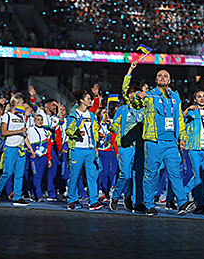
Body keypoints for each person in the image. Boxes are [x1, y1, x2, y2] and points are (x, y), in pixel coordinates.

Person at [136, 69, 195, 216]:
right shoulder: (150, 95)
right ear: (156, 80)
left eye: (165, 76)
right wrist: (138, 94)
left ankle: (182, 203)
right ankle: (149, 205)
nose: (162, 78)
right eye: (159, 76)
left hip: (171, 143)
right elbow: (136, 103)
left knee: (175, 173)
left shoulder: (175, 96)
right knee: (151, 173)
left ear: (169, 80)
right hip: (154, 141)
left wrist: (182, 137)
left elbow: (180, 118)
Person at [109, 62, 146, 213]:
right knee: (125, 174)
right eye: (130, 93)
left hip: (140, 146)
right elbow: (114, 126)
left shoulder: (144, 108)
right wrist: (130, 70)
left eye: (134, 92)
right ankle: (116, 196)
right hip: (125, 146)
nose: (131, 95)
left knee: (138, 175)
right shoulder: (123, 109)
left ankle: (137, 202)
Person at [0, 96, 36, 206]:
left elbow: (24, 134)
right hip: (10, 147)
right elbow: (4, 132)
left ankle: (18, 197)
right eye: (21, 103)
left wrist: (30, 149)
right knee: (7, 172)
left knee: (19, 174)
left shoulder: (21, 117)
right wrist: (19, 130)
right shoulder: (7, 116)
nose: (23, 106)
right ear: (15, 104)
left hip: (21, 148)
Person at [65, 89, 103, 210]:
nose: (90, 101)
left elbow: (95, 130)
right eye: (88, 98)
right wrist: (77, 132)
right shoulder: (73, 114)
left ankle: (94, 201)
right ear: (81, 100)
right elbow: (68, 130)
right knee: (74, 176)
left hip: (90, 149)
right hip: (77, 149)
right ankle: (72, 200)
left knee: (92, 176)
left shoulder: (91, 115)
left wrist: (98, 138)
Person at [183, 89, 204, 214]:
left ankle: (194, 198)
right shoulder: (192, 111)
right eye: (199, 96)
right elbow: (181, 120)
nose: (202, 98)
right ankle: (199, 203)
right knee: (197, 176)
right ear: (195, 99)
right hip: (194, 146)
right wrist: (187, 110)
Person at [28, 114, 52, 202]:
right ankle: (39, 194)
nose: (40, 121)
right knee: (35, 175)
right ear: (34, 121)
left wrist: (49, 159)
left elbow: (49, 146)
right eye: (38, 119)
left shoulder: (46, 131)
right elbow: (27, 142)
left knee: (40, 176)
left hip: (43, 156)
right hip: (34, 155)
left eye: (41, 119)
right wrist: (32, 151)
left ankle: (33, 192)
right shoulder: (30, 130)